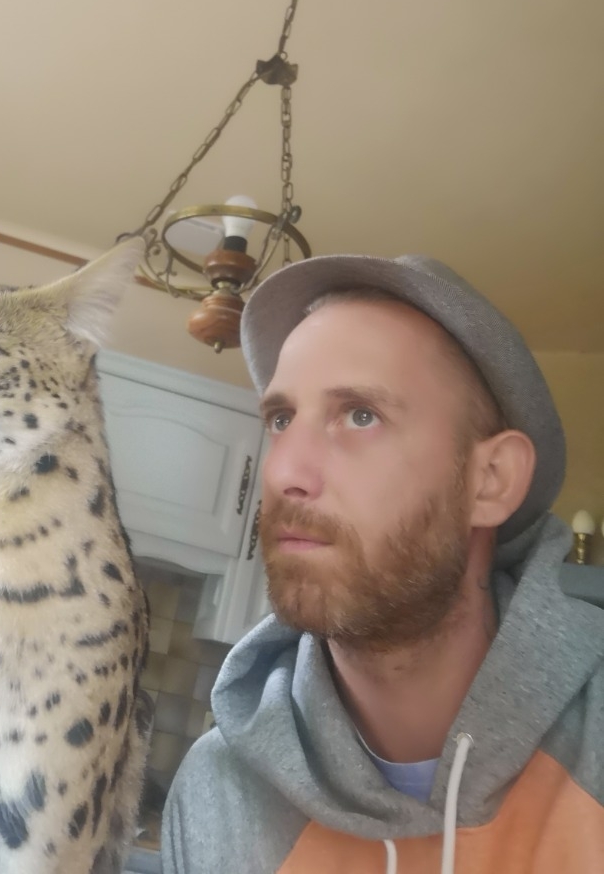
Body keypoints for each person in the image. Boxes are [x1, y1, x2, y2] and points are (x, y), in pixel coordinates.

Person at [161, 253, 604, 874]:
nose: (284, 472)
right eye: (281, 420)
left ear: (491, 480)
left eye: (360, 415)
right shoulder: (217, 795)